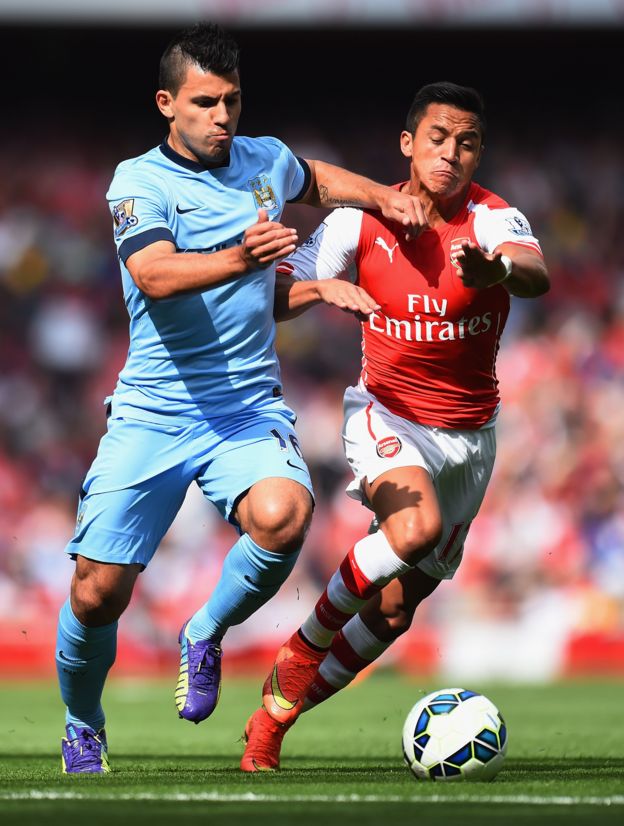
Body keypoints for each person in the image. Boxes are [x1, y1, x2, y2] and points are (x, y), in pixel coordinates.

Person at [55, 22, 427, 774]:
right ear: (168, 104)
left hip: (244, 409)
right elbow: (155, 277)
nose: (223, 117)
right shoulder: (138, 182)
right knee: (97, 595)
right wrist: (241, 256)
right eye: (204, 102)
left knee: (285, 515)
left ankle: (204, 630)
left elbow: (315, 179)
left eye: (232, 101)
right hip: (154, 410)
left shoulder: (262, 160)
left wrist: (389, 199)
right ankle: (83, 722)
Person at [240, 81, 549, 772]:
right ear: (408, 143)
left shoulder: (493, 220)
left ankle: (272, 720)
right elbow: (278, 295)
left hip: (470, 438)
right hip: (387, 413)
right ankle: (299, 651)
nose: (451, 154)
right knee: (412, 532)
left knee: (391, 613)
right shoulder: (358, 222)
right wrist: (321, 288)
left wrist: (495, 268)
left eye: (466, 143)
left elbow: (535, 274)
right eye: (437, 138)